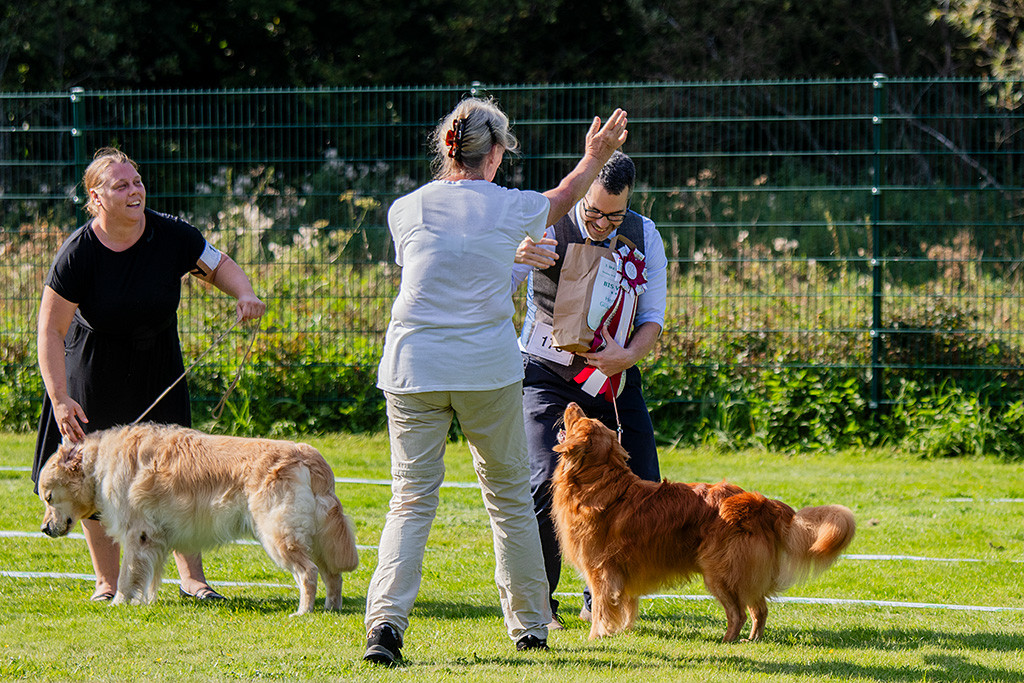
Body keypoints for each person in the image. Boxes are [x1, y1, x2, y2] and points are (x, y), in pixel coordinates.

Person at [363, 97, 628, 666]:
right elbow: (565, 198)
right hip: (486, 370)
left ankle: (384, 625)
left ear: (447, 148)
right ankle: (531, 626)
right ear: (498, 152)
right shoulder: (513, 208)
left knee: (409, 502)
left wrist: (511, 259)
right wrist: (595, 154)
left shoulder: (404, 209)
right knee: (508, 498)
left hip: (413, 368)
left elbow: (441, 267)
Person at [31, 147, 266, 603]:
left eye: (136, 181)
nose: (134, 190)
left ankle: (193, 580)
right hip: (93, 370)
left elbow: (219, 265)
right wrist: (60, 397)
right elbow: (50, 330)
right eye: (120, 185)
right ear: (96, 198)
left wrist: (245, 293)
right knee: (95, 476)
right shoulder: (78, 252)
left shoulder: (171, 233)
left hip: (158, 361)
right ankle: (107, 583)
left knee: (176, 473)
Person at [512, 150, 667, 628]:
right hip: (548, 375)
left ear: (629, 205)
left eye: (613, 215)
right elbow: (495, 282)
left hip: (613, 377)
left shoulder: (645, 235)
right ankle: (541, 604)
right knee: (542, 482)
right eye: (594, 211)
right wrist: (516, 255)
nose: (602, 223)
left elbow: (652, 317)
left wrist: (628, 357)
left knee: (644, 483)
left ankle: (604, 596)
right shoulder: (546, 222)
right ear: (583, 198)